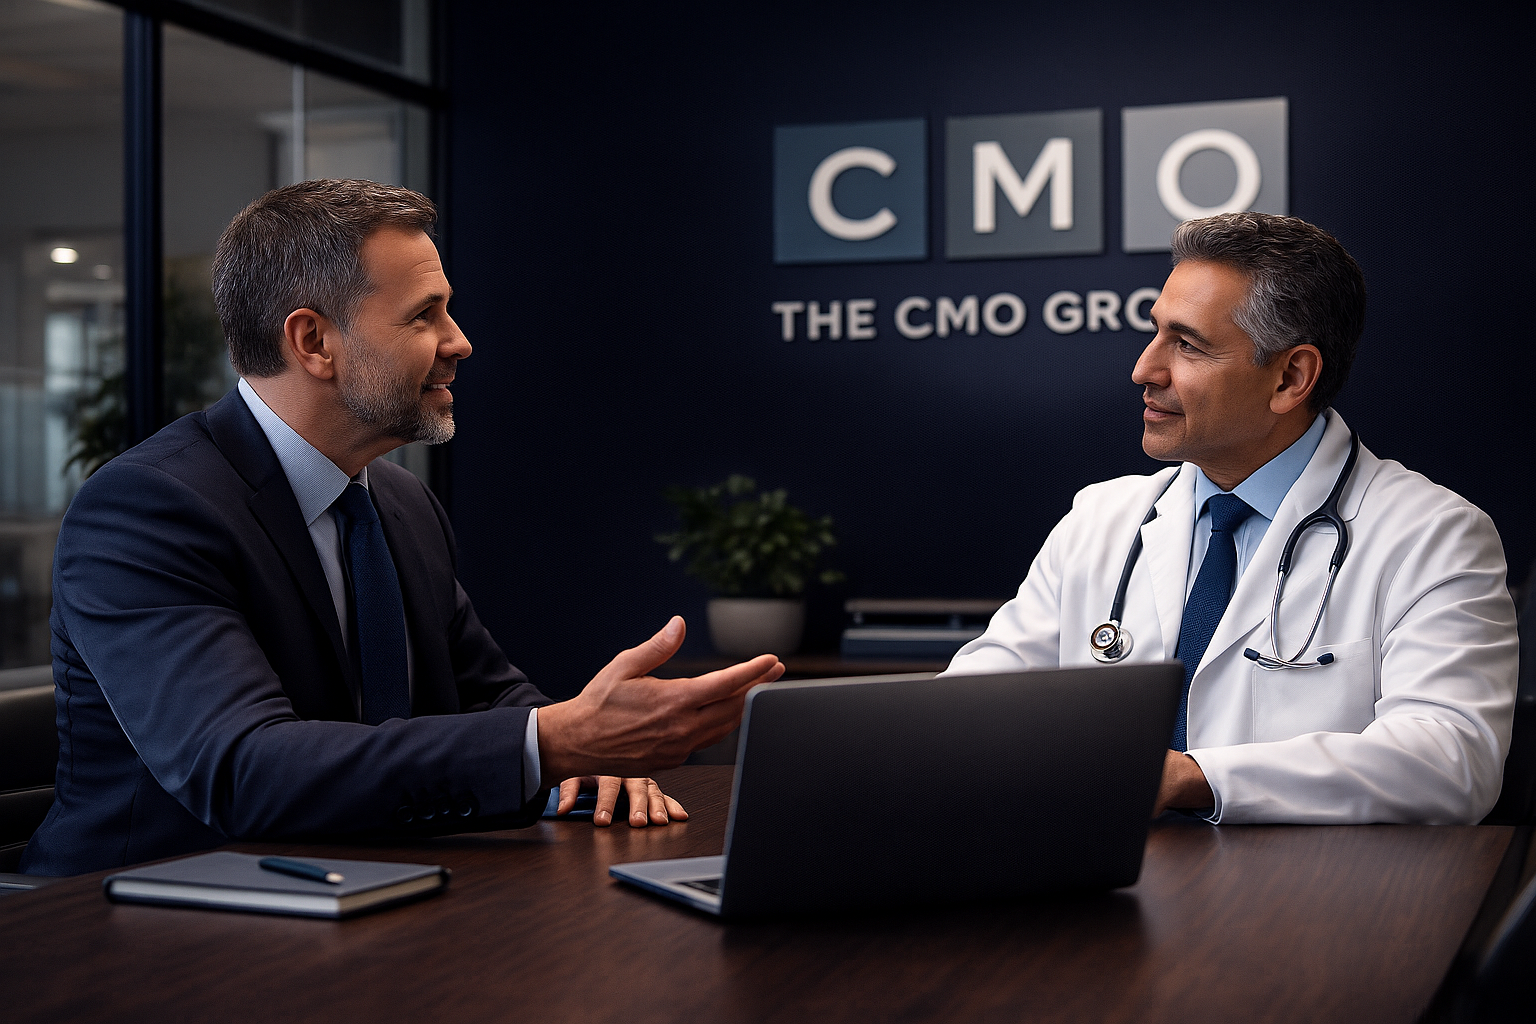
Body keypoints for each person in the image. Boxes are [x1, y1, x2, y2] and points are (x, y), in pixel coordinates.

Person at [21, 180, 783, 876]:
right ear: (313, 342)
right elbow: (241, 770)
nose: (460, 341)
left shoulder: (399, 502)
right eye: (425, 315)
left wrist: (580, 753)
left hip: (357, 890)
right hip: (132, 923)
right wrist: (554, 742)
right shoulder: (145, 510)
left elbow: (490, 696)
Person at [945, 212, 1517, 824]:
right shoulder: (1101, 518)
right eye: (1156, 332)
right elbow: (974, 708)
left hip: (1307, 904)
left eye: (1187, 345)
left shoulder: (1433, 536)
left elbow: (1451, 760)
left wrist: (1196, 777)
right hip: (1108, 887)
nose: (1145, 369)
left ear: (1291, 377)